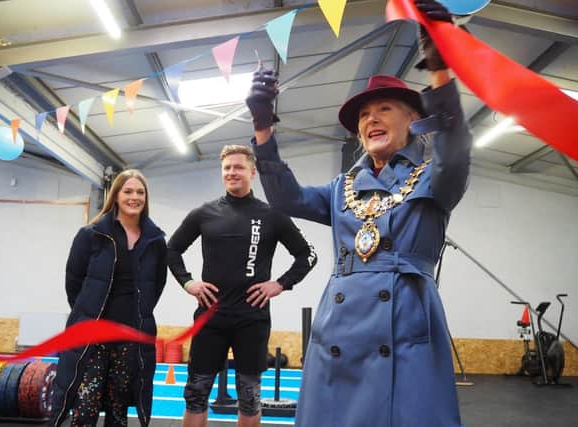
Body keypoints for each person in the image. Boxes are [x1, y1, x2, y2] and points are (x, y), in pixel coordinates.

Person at [245, 1, 471, 426]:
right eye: (364, 115)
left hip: (404, 328)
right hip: (339, 331)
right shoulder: (341, 188)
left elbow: (455, 152)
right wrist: (262, 129)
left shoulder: (432, 178)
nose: (371, 119)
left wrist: (441, 72)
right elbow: (286, 199)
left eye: (384, 108)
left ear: (414, 119)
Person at [167, 144, 317, 427]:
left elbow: (308, 254)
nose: (232, 172)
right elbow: (171, 250)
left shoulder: (272, 214)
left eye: (238, 167)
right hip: (210, 318)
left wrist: (282, 284)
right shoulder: (204, 213)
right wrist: (188, 283)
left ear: (252, 172)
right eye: (227, 168)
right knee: (196, 394)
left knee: (249, 397)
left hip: (252, 320)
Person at [50, 169, 167, 427]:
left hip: (129, 339)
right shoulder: (91, 234)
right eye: (128, 191)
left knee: (118, 409)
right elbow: (74, 282)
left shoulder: (156, 240)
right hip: (94, 336)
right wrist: (88, 312)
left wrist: (138, 313)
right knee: (85, 405)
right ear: (115, 196)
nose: (134, 197)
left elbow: (156, 285)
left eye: (140, 192)